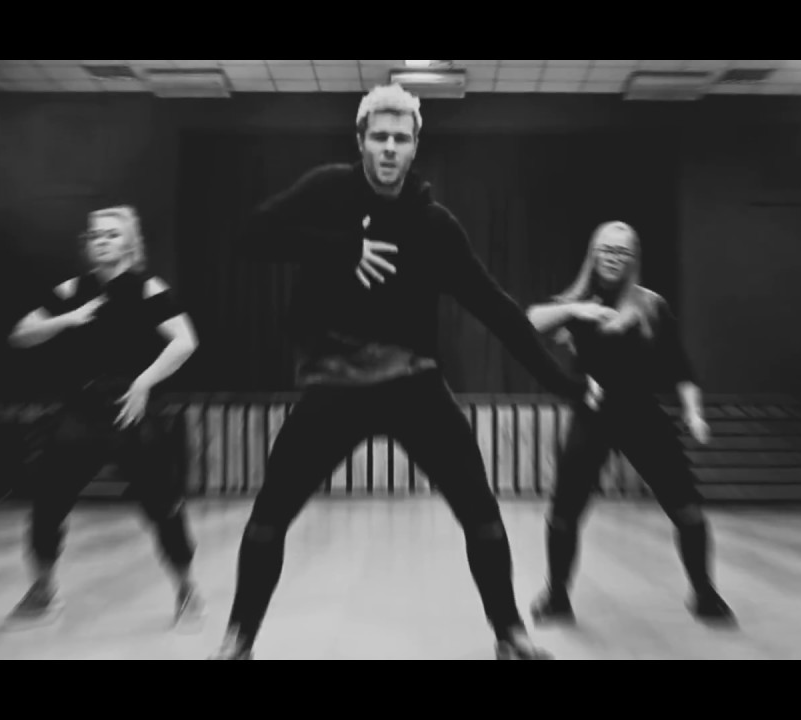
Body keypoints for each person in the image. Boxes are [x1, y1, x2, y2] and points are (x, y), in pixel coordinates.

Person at [209, 84, 602, 661]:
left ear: (416, 146)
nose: (389, 148)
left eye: (400, 138)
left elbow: (497, 310)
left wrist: (565, 385)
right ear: (361, 141)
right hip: (335, 381)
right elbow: (248, 237)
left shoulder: (434, 225)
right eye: (380, 137)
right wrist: (343, 248)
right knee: (270, 513)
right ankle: (238, 640)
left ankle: (510, 634)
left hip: (413, 383)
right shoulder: (327, 189)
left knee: (480, 510)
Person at [4, 206, 205, 631]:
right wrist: (67, 319)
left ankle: (187, 589)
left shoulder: (148, 287)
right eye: (95, 235)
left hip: (131, 407)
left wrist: (145, 382)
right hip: (82, 409)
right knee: (47, 503)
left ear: (130, 243)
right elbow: (20, 335)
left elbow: (185, 341)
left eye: (112, 234)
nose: (101, 241)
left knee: (164, 507)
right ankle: (42, 591)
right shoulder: (70, 289)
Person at [526, 221, 735, 628]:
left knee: (687, 509)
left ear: (633, 258)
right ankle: (556, 596)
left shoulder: (652, 305)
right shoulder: (578, 302)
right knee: (565, 509)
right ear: (594, 253)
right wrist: (573, 310)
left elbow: (680, 367)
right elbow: (530, 321)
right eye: (606, 249)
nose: (613, 258)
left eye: (621, 251)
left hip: (643, 415)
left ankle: (704, 593)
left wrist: (693, 412)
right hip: (593, 413)